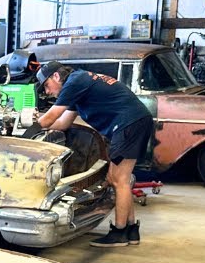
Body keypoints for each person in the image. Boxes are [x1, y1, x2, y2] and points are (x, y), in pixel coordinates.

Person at [36, 61, 154, 248]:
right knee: (119, 179)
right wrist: (39, 121)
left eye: (46, 86)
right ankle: (131, 230)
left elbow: (50, 117)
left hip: (130, 124)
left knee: (119, 180)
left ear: (56, 76)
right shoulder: (79, 84)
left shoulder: (74, 82)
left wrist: (29, 125)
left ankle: (119, 233)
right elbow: (62, 124)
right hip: (135, 122)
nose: (47, 92)